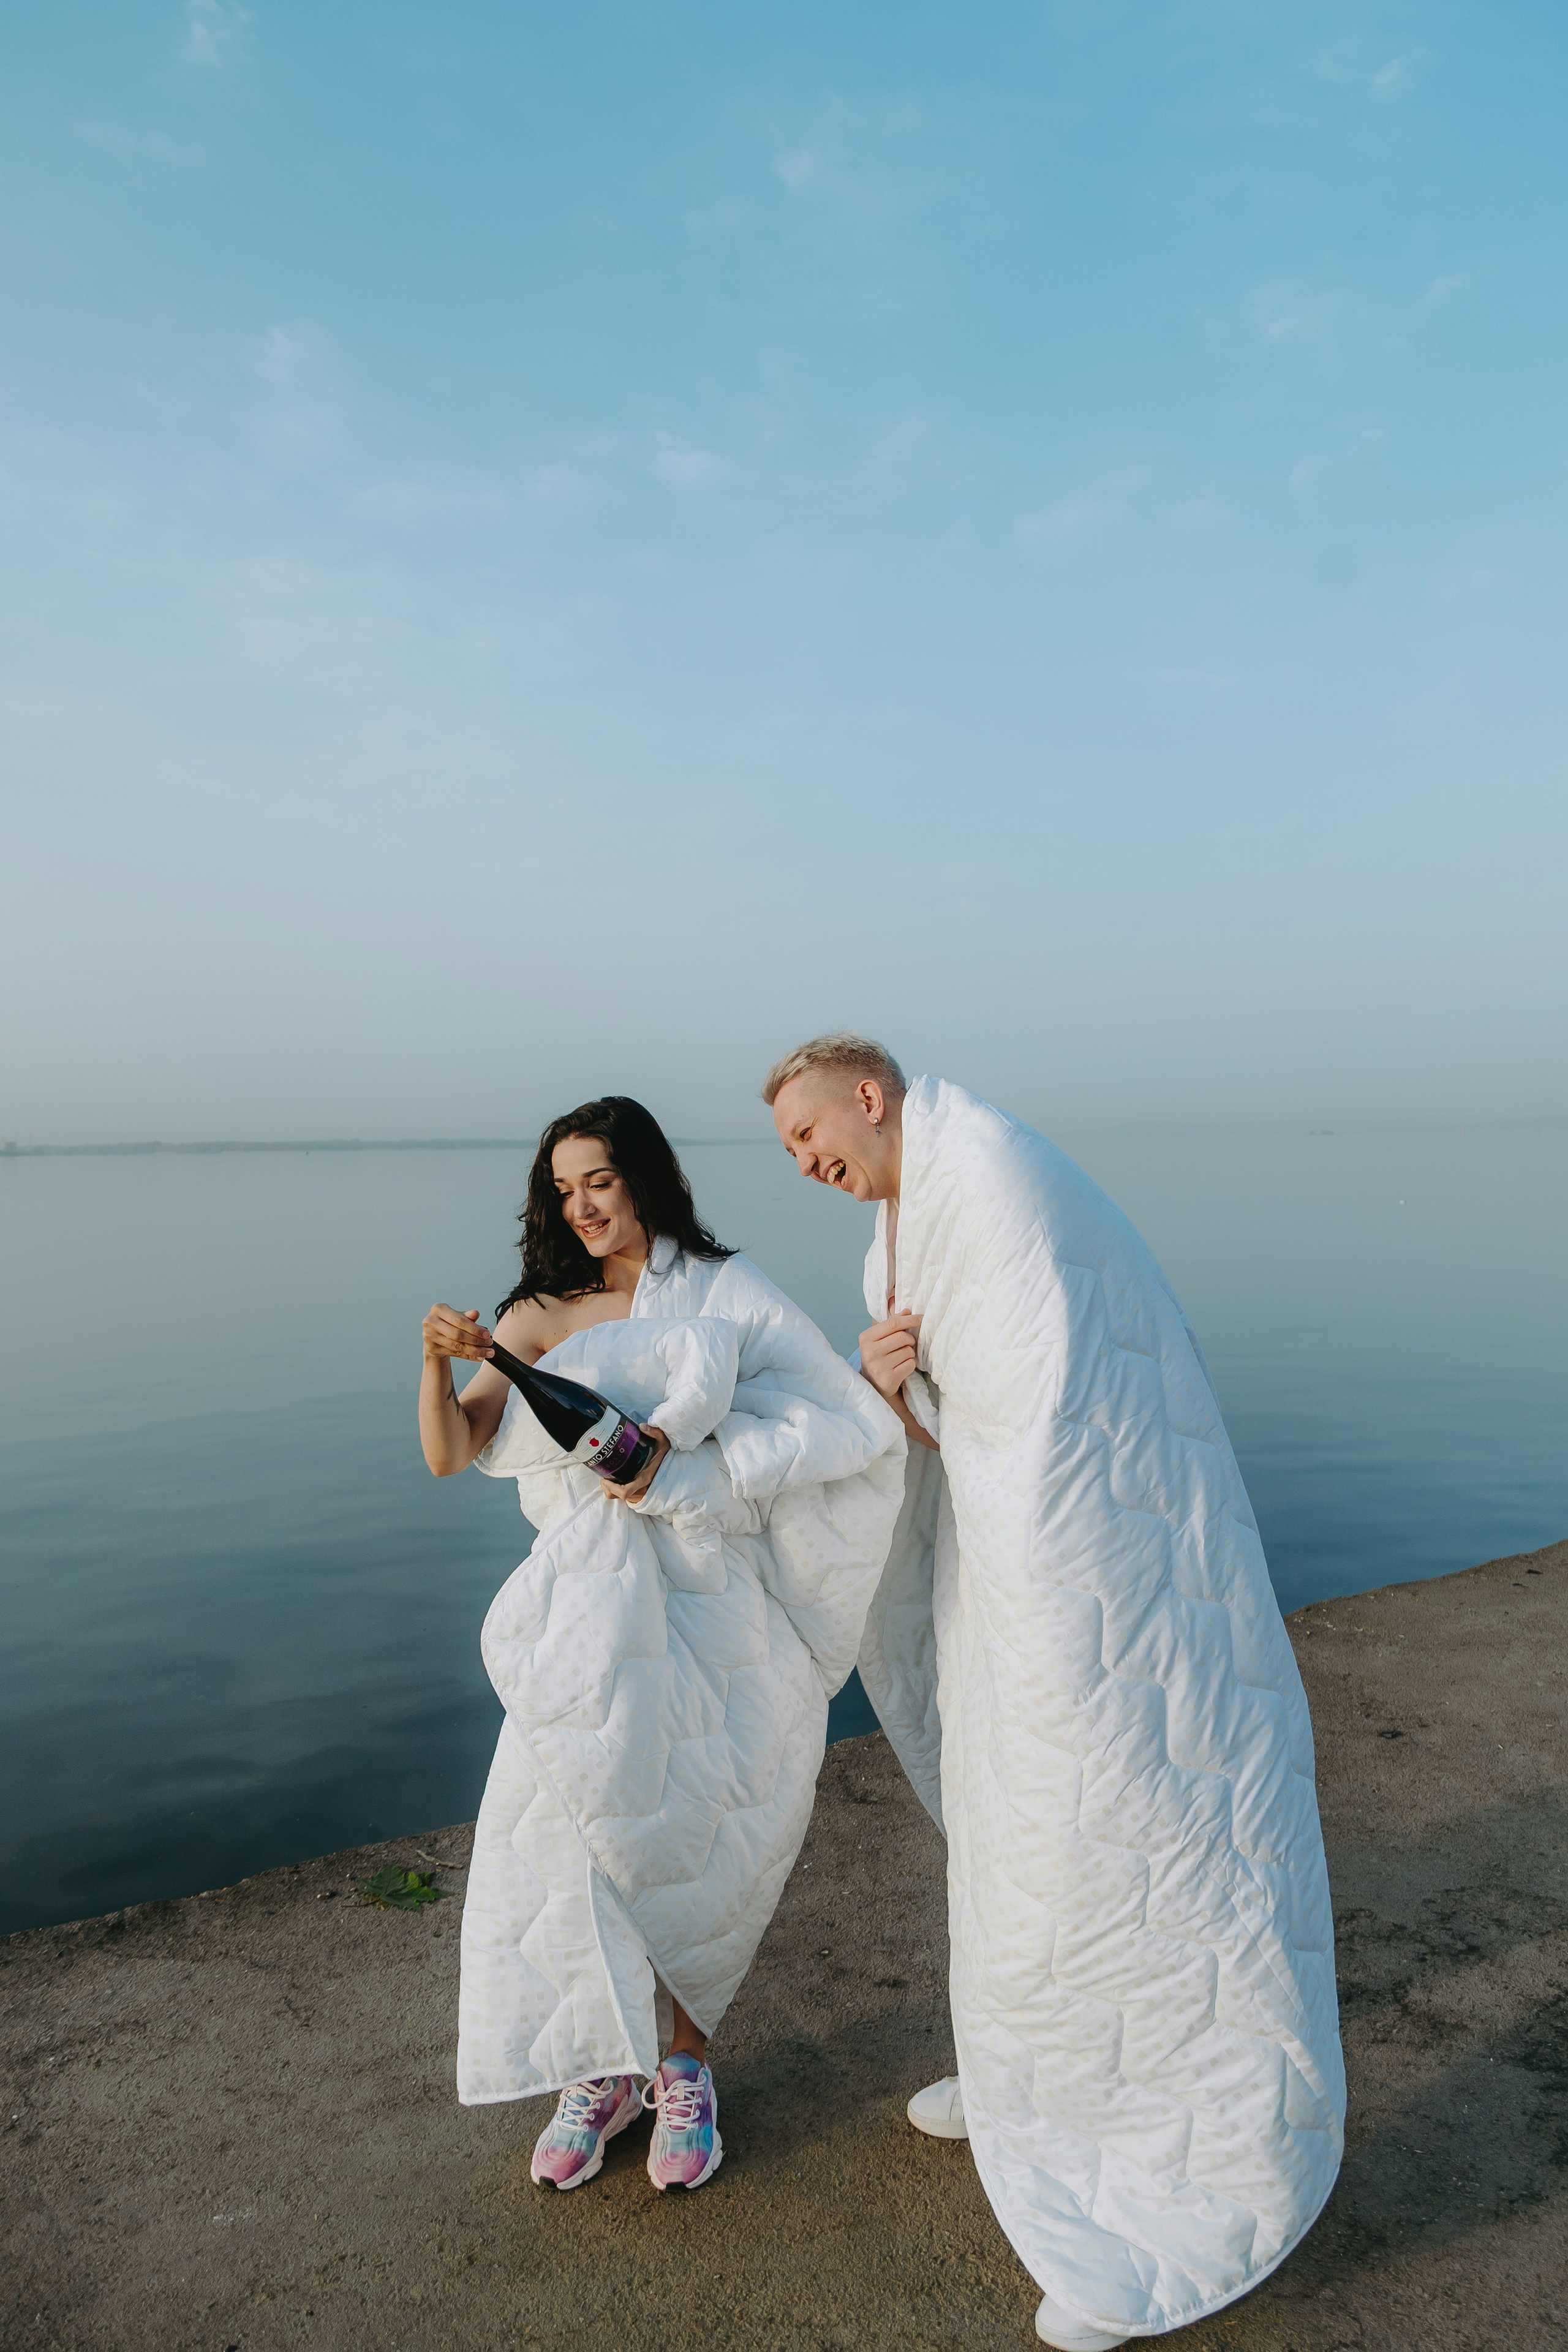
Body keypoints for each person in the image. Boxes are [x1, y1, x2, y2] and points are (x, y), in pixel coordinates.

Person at [764, 1037, 1344, 2351]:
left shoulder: (1000, 1185)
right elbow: (949, 1425)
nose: (807, 1166)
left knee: (1128, 1842)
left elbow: (1067, 1410)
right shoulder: (894, 1241)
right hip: (1009, 1595)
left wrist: (935, 1404)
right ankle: (1033, 2083)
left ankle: (1174, 2157)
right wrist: (887, 1384)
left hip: (1104, 1591)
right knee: (1017, 1844)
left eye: (810, 1135)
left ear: (869, 1095)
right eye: (791, 1156)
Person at [420, 1096, 906, 2195]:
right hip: (588, 1606)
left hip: (704, 1595)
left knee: (684, 1836)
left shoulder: (723, 1288)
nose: (582, 1205)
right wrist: (434, 1361)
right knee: (576, 1834)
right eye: (562, 1189)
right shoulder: (537, 1313)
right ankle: (602, 2069)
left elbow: (828, 1409)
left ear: (641, 1175)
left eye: (599, 1179)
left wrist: (850, 1389)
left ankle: (685, 2066)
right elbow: (457, 1447)